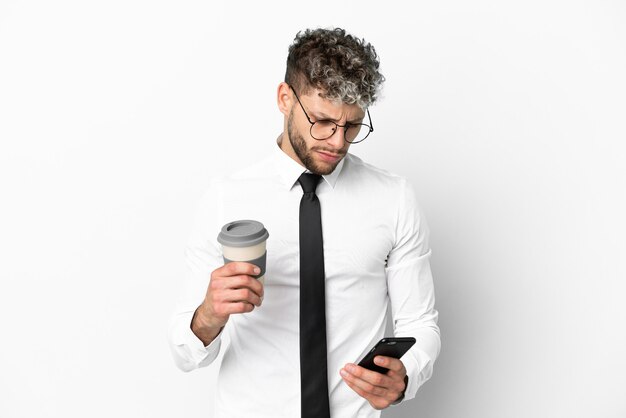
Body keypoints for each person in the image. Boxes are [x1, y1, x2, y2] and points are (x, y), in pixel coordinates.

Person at [168, 27, 441, 418]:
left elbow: (421, 323)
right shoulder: (226, 198)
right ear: (284, 99)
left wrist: (405, 376)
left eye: (351, 126)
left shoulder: (393, 199)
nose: (336, 141)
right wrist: (210, 314)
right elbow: (184, 353)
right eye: (322, 121)